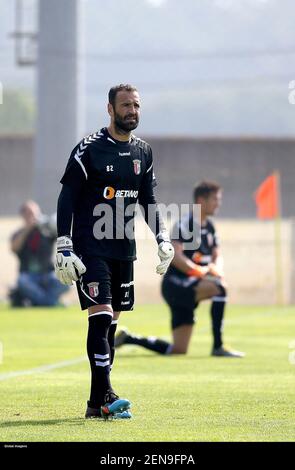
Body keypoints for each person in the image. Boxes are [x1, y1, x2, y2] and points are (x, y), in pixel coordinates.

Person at [54, 84, 174, 420]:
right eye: (125, 105)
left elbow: (147, 201)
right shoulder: (89, 149)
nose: (132, 111)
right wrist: (64, 243)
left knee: (111, 326)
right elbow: (67, 197)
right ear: (109, 109)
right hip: (90, 248)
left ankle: (96, 405)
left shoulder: (143, 152)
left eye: (136, 105)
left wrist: (162, 237)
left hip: (124, 249)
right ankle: (107, 394)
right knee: (102, 315)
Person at [115, 181, 245, 358]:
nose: (218, 203)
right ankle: (218, 346)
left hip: (190, 285)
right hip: (176, 285)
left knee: (178, 350)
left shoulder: (210, 226)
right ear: (201, 200)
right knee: (220, 287)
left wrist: (215, 268)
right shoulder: (186, 223)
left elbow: (217, 255)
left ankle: (129, 338)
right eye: (215, 199)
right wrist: (200, 271)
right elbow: (175, 256)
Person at [10, 200, 69, 307]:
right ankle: (51, 303)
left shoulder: (46, 232)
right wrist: (28, 228)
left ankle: (40, 302)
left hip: (48, 274)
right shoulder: (18, 233)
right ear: (23, 215)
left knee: (67, 281)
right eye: (30, 213)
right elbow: (14, 248)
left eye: (35, 213)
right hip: (29, 276)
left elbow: (62, 237)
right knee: (22, 281)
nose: (34, 216)